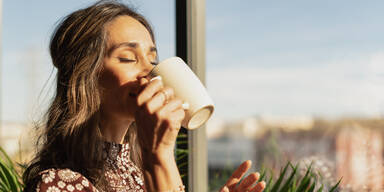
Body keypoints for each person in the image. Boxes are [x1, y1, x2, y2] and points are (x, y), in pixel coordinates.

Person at [22, 1, 266, 192]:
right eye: (128, 58)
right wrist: (158, 155)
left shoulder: (137, 171)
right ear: (86, 74)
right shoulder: (57, 184)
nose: (149, 72)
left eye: (153, 60)